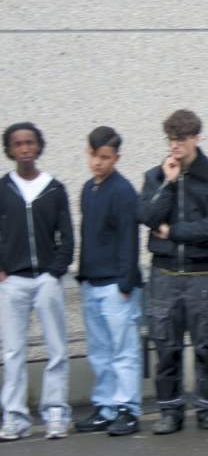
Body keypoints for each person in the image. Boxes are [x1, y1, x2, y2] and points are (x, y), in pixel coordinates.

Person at [138, 109, 208, 435]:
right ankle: (170, 410)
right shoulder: (156, 175)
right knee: (166, 345)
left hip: (201, 274)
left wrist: (175, 232)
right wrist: (168, 182)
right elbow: (148, 216)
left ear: (196, 137)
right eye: (171, 139)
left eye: (181, 139)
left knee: (205, 344)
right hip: (164, 273)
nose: (175, 146)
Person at [0, 123, 74, 441]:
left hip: (46, 279)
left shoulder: (54, 188)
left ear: (39, 146)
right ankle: (15, 417)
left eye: (30, 143)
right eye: (18, 144)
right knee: (13, 351)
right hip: (13, 280)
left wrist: (55, 271)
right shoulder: (3, 189)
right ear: (10, 150)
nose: (25, 148)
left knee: (56, 348)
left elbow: (67, 236)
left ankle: (56, 413)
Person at [74, 127, 144, 437]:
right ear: (88, 153)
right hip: (92, 281)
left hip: (117, 285)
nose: (98, 163)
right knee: (100, 350)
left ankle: (128, 409)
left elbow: (130, 239)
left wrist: (126, 283)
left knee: (124, 349)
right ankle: (106, 407)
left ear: (116, 157)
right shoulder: (89, 189)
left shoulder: (123, 191)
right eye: (94, 156)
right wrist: (83, 274)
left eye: (106, 158)